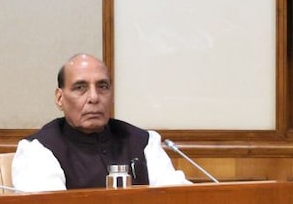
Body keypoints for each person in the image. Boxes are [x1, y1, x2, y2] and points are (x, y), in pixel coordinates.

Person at [12, 54, 192, 192]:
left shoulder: (143, 142)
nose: (94, 97)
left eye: (103, 86)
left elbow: (177, 199)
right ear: (60, 98)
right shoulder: (38, 149)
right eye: (80, 88)